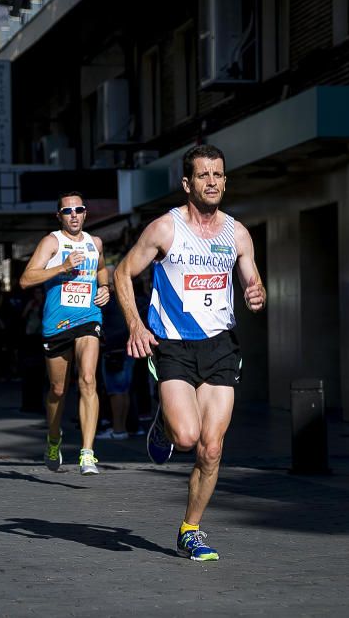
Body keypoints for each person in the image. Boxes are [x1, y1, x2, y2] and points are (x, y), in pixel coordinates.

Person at [113, 144, 266, 562]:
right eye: (204, 175)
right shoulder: (165, 228)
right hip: (174, 346)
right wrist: (134, 324)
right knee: (186, 437)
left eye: (219, 174)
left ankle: (190, 529)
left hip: (220, 345)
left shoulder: (237, 233)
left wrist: (257, 294)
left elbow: (253, 282)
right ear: (187, 183)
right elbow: (122, 272)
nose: (213, 181)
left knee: (211, 448)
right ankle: (164, 424)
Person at [19, 191, 110, 475]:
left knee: (87, 378)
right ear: (59, 216)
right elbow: (25, 279)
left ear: (85, 213)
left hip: (88, 318)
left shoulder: (95, 243)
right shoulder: (51, 242)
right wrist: (62, 266)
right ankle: (54, 438)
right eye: (68, 211)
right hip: (57, 324)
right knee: (58, 389)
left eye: (79, 210)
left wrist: (105, 288)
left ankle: (87, 452)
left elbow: (103, 269)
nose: (74, 215)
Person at [96, 265, 136, 440]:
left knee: (116, 391)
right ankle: (121, 428)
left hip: (115, 350)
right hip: (125, 348)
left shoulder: (111, 299)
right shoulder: (126, 297)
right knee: (123, 390)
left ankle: (118, 429)